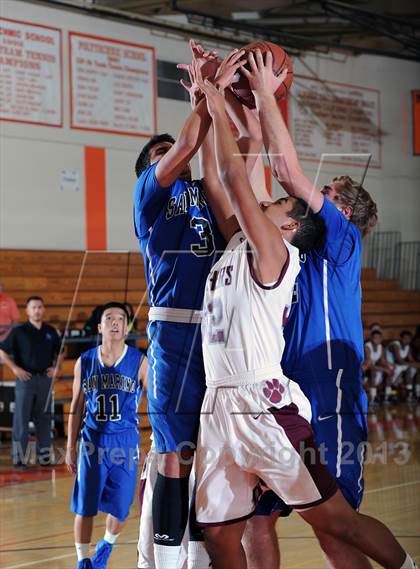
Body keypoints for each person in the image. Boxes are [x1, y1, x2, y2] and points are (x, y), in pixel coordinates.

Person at [192, 64, 416, 569]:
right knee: (255, 520)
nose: (315, 191)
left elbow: (284, 174)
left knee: (335, 531)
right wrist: (242, 105)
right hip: (274, 395)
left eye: (328, 191)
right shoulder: (277, 246)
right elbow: (253, 178)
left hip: (328, 395)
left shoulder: (341, 240)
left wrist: (265, 94)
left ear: (342, 210)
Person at [133, 39, 238, 569]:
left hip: (218, 332)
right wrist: (206, 91)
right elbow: (186, 147)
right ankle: (164, 559)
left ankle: (196, 554)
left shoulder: (205, 193)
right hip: (174, 330)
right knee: (173, 454)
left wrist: (224, 103)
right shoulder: (149, 198)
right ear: (148, 173)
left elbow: (220, 164)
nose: (171, 155)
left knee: (208, 451)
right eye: (160, 155)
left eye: (171, 151)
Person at [66, 302, 148, 569]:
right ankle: (83, 560)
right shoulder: (85, 361)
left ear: (127, 326)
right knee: (85, 506)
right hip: (92, 442)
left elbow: (158, 406)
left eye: (121, 318)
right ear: (100, 327)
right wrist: (69, 447)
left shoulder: (140, 361)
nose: (116, 322)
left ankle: (106, 545)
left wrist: (151, 442)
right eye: (109, 318)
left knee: (121, 507)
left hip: (125, 442)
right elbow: (76, 407)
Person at [0, 296, 62, 468]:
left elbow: (61, 351)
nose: (37, 310)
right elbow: (2, 351)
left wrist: (57, 367)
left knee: (43, 419)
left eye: (40, 307)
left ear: (44, 309)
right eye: (33, 307)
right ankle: (19, 458)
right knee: (21, 420)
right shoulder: (19, 331)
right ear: (27, 311)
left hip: (44, 380)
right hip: (25, 380)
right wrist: (14, 368)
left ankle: (44, 457)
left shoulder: (50, 331)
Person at [386, 330, 420, 402]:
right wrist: (414, 364)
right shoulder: (395, 345)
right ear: (401, 338)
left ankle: (411, 394)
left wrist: (416, 364)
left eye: (408, 338)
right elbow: (399, 360)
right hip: (389, 364)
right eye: (405, 338)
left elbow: (411, 360)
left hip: (398, 365)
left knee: (410, 370)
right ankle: (388, 395)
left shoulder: (408, 347)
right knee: (396, 372)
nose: (406, 340)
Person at [363, 329, 394, 405]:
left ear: (381, 339)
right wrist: (384, 369)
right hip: (365, 368)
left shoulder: (381, 347)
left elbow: (383, 361)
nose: (377, 340)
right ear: (371, 338)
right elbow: (369, 364)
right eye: (375, 338)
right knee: (374, 372)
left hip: (375, 367)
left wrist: (389, 367)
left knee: (389, 371)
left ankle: (387, 396)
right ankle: (373, 398)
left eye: (379, 338)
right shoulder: (367, 347)